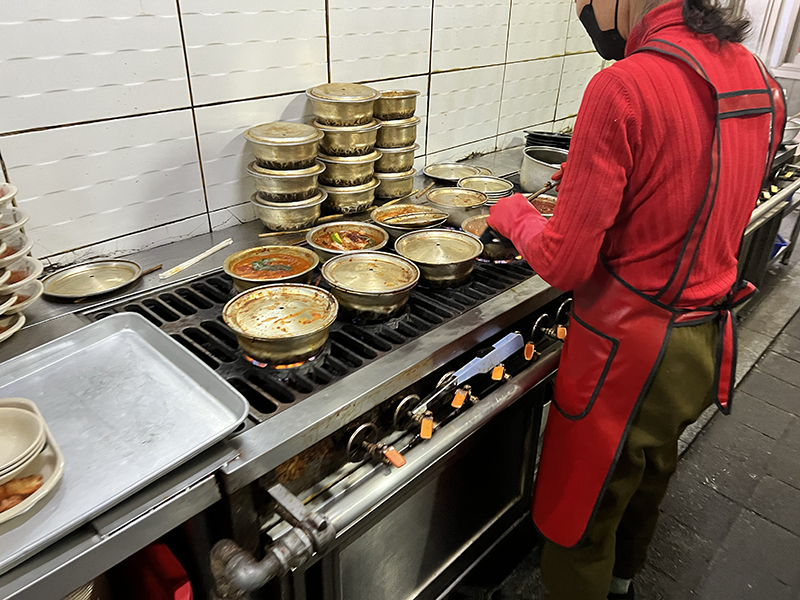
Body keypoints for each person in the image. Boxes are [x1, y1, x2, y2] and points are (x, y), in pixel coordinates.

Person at [485, 0, 786, 597]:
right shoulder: (760, 80)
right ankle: (624, 584)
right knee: (645, 479)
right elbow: (698, 186)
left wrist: (514, 215)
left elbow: (565, 264)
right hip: (703, 341)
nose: (584, 10)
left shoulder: (622, 86)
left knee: (583, 511)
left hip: (627, 356)